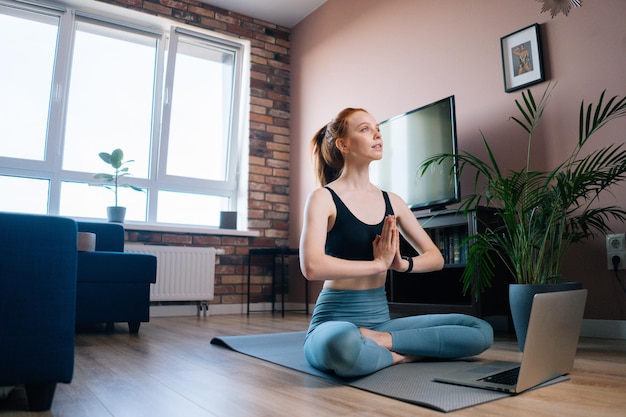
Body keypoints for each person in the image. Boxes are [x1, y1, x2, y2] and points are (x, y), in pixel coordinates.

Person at [299, 107, 493, 378]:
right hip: (334, 321)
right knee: (342, 345)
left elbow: (435, 258)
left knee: (481, 331)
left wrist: (401, 264)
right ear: (343, 144)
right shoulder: (323, 198)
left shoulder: (393, 201)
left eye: (377, 128)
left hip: (381, 323)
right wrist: (377, 264)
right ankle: (407, 354)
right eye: (365, 129)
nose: (376, 133)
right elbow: (312, 266)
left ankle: (383, 345)